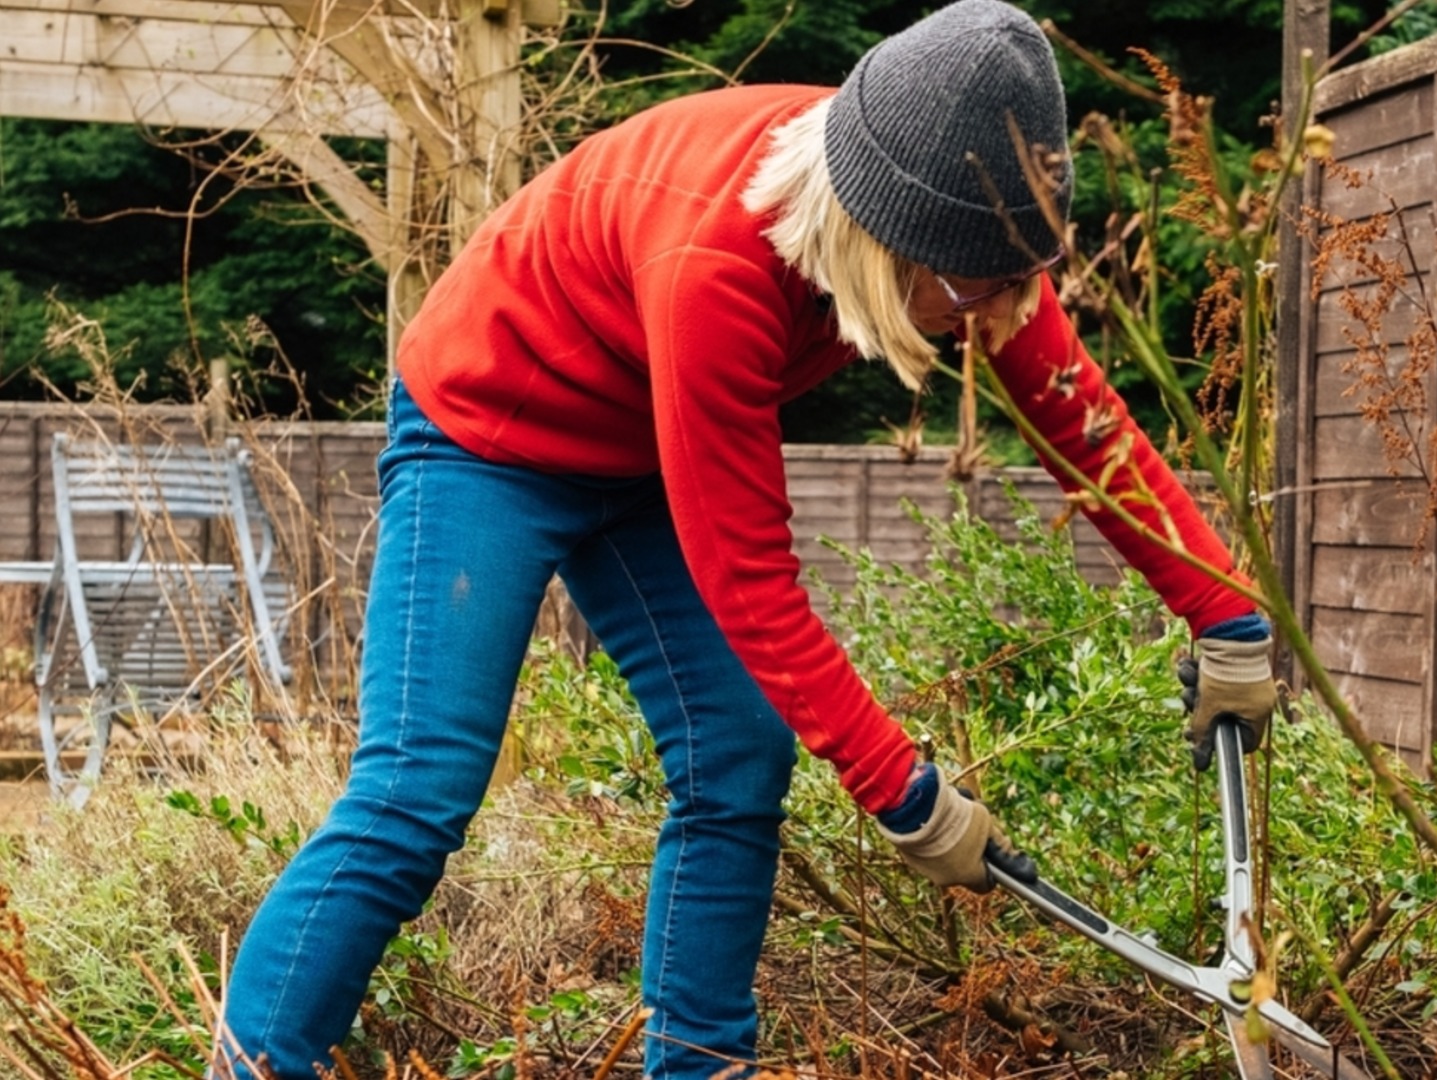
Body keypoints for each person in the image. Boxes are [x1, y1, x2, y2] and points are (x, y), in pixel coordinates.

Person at [215, 2, 1277, 1077]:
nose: (991, 315)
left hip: (638, 447)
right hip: (487, 434)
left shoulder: (964, 231)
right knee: (418, 784)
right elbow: (750, 582)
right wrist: (903, 793)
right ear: (878, 236)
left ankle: (698, 1063)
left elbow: (1077, 415)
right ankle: (254, 1063)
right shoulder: (716, 264)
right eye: (970, 291)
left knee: (739, 753)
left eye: (1014, 285)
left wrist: (1224, 610)